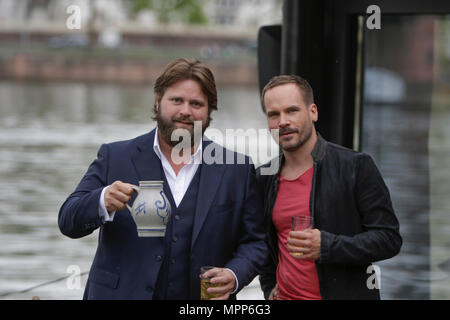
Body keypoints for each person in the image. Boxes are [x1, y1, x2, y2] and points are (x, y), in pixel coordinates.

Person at [58, 58, 267, 300]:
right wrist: (102, 200)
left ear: (209, 112)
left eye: (196, 103)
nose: (185, 111)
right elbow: (67, 221)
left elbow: (256, 243)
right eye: (176, 100)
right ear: (158, 103)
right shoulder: (115, 156)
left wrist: (234, 273)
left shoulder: (237, 169)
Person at [256, 75, 402, 300]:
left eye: (292, 110)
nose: (282, 121)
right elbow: (263, 245)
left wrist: (327, 246)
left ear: (312, 112)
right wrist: (269, 287)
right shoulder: (264, 177)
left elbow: (389, 239)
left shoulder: (355, 166)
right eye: (274, 114)